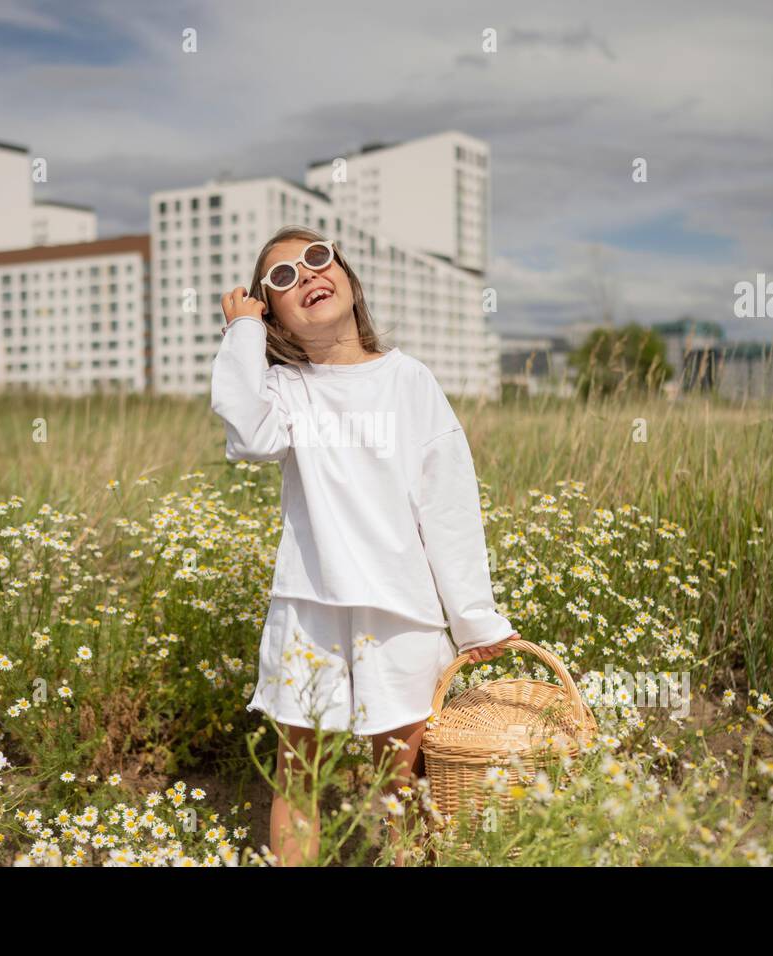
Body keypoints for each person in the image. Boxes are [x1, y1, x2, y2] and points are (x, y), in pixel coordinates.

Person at [210, 225, 517, 865]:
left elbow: (448, 505)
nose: (307, 276)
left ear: (348, 277)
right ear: (278, 321)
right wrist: (240, 332)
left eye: (317, 259)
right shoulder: (287, 389)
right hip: (309, 607)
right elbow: (247, 435)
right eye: (283, 278)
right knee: (298, 777)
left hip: (399, 609)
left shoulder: (409, 382)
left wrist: (473, 618)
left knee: (401, 782)